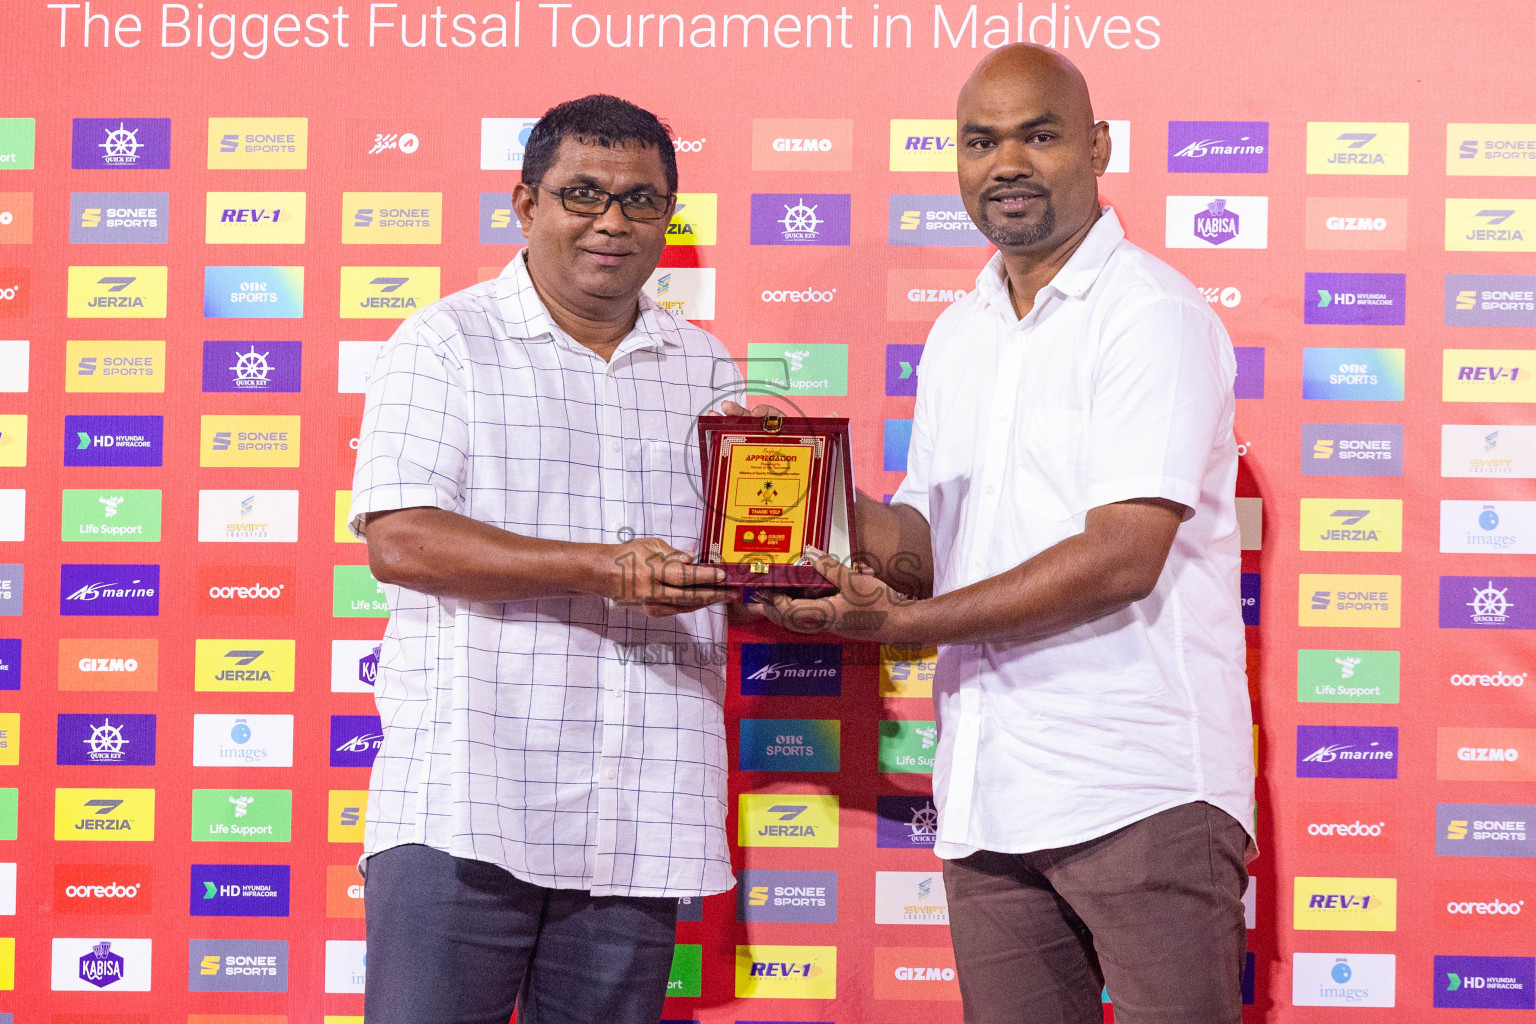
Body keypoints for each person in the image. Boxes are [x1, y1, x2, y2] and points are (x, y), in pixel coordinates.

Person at [766, 45, 1255, 1024]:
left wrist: (912, 623)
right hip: (990, 792)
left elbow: (1123, 551)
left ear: (1098, 147)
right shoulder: (959, 334)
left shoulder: (1148, 314)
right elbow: (930, 541)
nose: (1007, 164)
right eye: (981, 141)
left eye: (1039, 135)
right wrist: (802, 493)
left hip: (1137, 787)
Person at [348, 94, 744, 1024]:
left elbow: (743, 550)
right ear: (526, 206)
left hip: (640, 811)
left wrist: (805, 581)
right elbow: (400, 538)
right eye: (584, 194)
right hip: (467, 803)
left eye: (642, 201)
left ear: (667, 217)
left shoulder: (708, 368)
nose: (614, 221)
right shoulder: (445, 344)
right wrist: (605, 568)